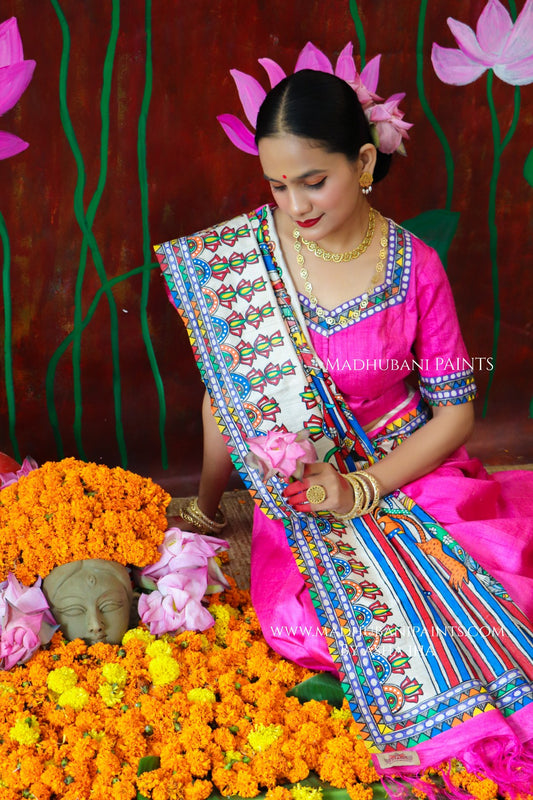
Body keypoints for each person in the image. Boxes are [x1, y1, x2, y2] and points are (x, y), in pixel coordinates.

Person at [155, 62, 533, 794]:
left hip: (406, 465)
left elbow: (455, 411)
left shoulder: (414, 266)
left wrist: (362, 489)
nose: (293, 205)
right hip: (301, 484)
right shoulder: (246, 265)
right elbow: (226, 400)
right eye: (276, 185)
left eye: (313, 181)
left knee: (484, 586)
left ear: (362, 162)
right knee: (306, 624)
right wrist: (206, 508)